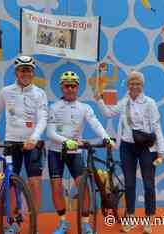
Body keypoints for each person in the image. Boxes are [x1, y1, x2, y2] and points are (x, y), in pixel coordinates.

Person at [95, 71, 164, 234]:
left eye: (138, 83)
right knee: (129, 184)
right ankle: (131, 218)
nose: (134, 86)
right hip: (127, 147)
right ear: (127, 85)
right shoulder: (124, 102)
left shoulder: (150, 103)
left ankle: (148, 220)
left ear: (142, 85)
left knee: (149, 184)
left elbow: (156, 128)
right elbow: (107, 113)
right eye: (131, 83)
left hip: (147, 148)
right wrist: (99, 100)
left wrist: (161, 151)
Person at [0, 55, 48, 233]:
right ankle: (15, 222)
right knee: (11, 182)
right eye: (22, 70)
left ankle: (34, 222)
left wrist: (34, 138)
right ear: (16, 72)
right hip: (11, 142)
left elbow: (43, 118)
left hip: (32, 143)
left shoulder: (39, 93)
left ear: (33, 73)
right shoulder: (6, 91)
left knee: (35, 183)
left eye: (28, 70)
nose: (25, 73)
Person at [48, 71, 114, 234]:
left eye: (73, 86)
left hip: (75, 153)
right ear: (61, 88)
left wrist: (106, 137)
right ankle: (63, 222)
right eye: (67, 85)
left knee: (82, 187)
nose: (70, 89)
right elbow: (50, 133)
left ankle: (85, 223)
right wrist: (65, 141)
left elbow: (96, 124)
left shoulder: (85, 108)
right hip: (56, 152)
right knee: (56, 187)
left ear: (77, 88)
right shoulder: (54, 107)